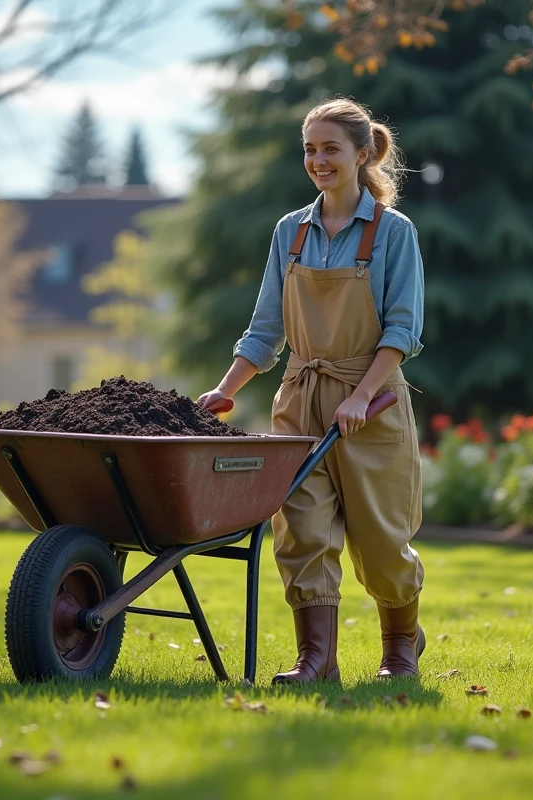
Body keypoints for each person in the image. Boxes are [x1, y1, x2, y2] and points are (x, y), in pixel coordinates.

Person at [198, 97, 425, 683]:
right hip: (300, 399)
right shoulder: (289, 232)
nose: (318, 160)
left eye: (330, 149)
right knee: (302, 530)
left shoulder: (393, 232)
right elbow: (266, 328)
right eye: (310, 149)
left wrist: (360, 392)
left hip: (368, 403)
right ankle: (316, 659)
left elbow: (403, 328)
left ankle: (401, 647)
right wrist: (226, 389)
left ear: (362, 154)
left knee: (380, 540)